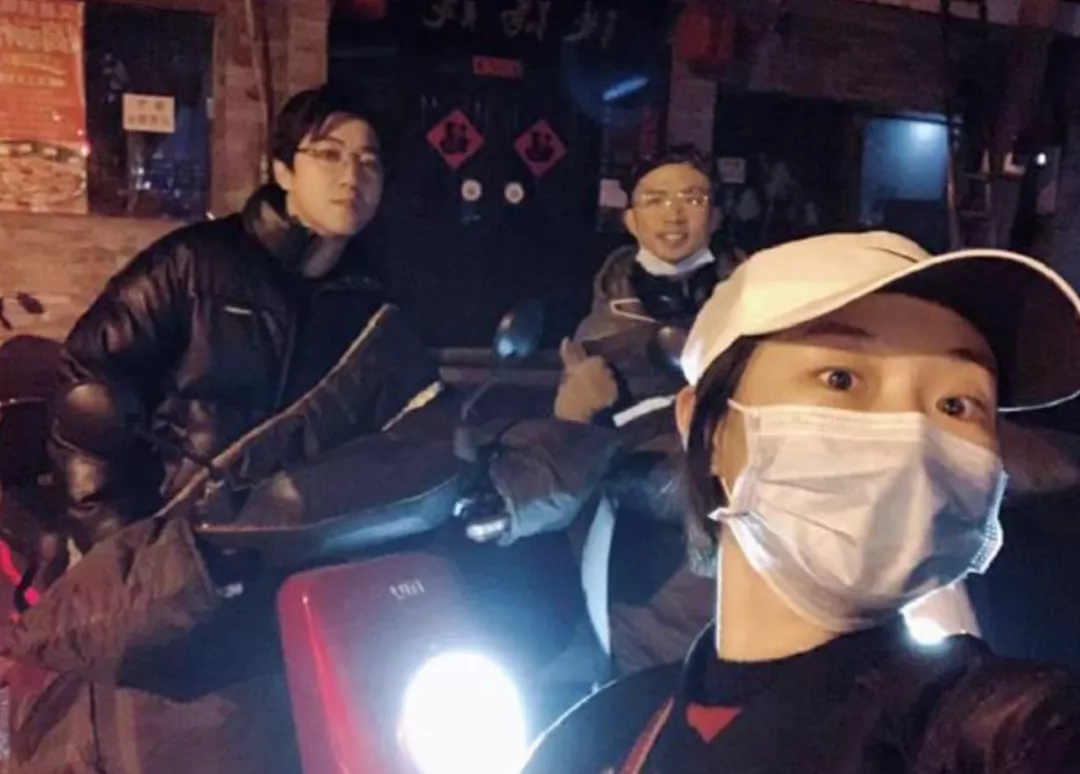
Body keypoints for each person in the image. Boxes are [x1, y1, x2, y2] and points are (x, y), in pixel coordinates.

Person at [524, 231, 1080, 774]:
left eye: (957, 405)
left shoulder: (995, 727)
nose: (910, 432)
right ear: (707, 429)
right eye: (841, 378)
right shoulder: (599, 735)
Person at [552, 148, 735, 679]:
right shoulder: (599, 327)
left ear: (716, 215)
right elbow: (565, 450)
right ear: (630, 218)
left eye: (691, 198)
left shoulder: (755, 310)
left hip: (735, 514)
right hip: (635, 531)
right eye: (654, 199)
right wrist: (573, 408)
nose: (673, 213)